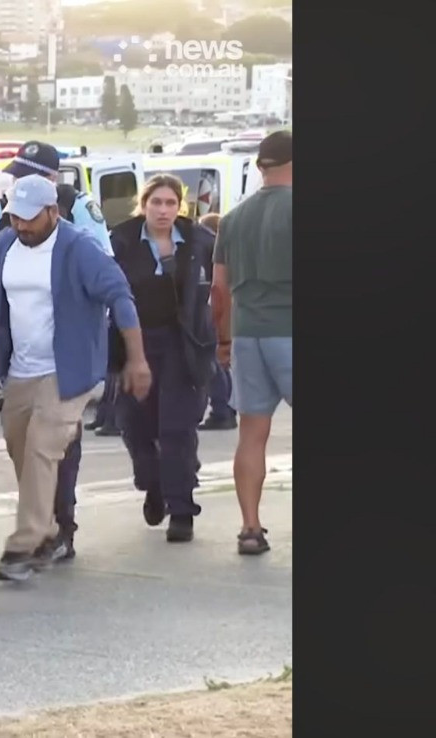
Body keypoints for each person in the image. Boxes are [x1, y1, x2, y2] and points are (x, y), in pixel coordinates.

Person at [0, 175, 148, 582]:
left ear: (52, 212)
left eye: (29, 218)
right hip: (20, 369)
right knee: (20, 447)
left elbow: (120, 297)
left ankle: (24, 546)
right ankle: (47, 529)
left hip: (67, 369)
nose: (21, 225)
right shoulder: (6, 243)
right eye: (15, 217)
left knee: (42, 446)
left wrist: (137, 359)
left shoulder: (79, 249)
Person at [107, 174, 218, 543]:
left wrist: (219, 338)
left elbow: (219, 285)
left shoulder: (200, 241)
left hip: (182, 344)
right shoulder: (121, 241)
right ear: (144, 205)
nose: (163, 210)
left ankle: (181, 509)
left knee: (177, 428)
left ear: (180, 207)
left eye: (171, 203)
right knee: (135, 425)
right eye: (156, 202)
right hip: (133, 342)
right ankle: (152, 483)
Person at [213, 130, 291, 556]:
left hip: (247, 334)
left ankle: (250, 528)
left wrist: (224, 340)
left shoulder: (232, 219)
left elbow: (219, 289)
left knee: (252, 434)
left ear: (261, 166)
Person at [198, 212, 237, 430]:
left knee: (213, 364)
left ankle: (221, 410)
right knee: (220, 365)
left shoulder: (211, 251)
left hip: (213, 312)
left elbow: (216, 288)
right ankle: (226, 409)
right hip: (228, 313)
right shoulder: (229, 251)